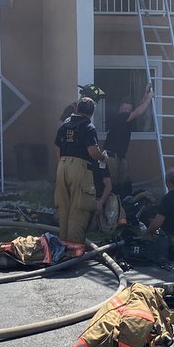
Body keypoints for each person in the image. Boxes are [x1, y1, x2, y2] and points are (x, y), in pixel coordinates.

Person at [54, 96, 105, 244]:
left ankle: (62, 245)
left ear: (78, 109)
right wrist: (102, 158)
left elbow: (56, 147)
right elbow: (92, 151)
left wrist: (63, 163)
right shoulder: (88, 126)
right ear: (91, 113)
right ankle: (74, 248)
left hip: (62, 165)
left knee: (64, 207)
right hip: (80, 167)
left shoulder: (65, 124)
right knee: (79, 207)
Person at [104, 84, 153, 197]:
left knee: (125, 185)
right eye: (124, 108)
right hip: (111, 158)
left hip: (120, 158)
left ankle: (122, 208)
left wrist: (146, 94)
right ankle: (110, 210)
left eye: (128, 109)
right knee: (112, 186)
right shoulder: (119, 117)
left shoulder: (127, 117)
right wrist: (149, 98)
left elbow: (137, 109)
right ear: (120, 108)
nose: (126, 111)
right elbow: (137, 112)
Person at [141, 167, 174, 262]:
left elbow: (157, 224)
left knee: (148, 234)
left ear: (167, 181)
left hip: (172, 241)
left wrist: (147, 231)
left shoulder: (168, 198)